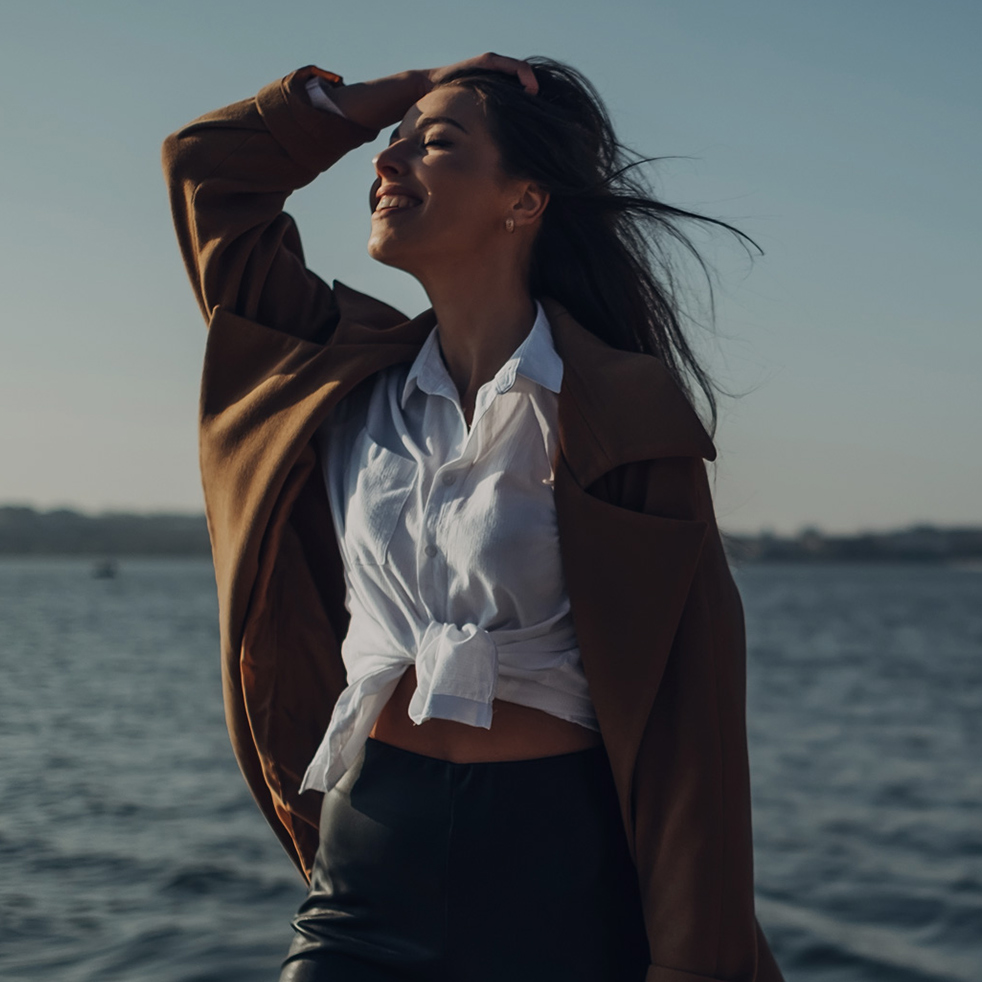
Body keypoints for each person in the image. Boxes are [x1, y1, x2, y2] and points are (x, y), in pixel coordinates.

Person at [163, 52, 785, 982]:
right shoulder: (335, 372)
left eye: (436, 143)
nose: (390, 160)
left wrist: (689, 963)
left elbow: (693, 712)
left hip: (559, 885)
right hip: (361, 879)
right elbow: (208, 172)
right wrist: (380, 97)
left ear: (524, 200)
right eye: (393, 144)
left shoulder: (619, 409)